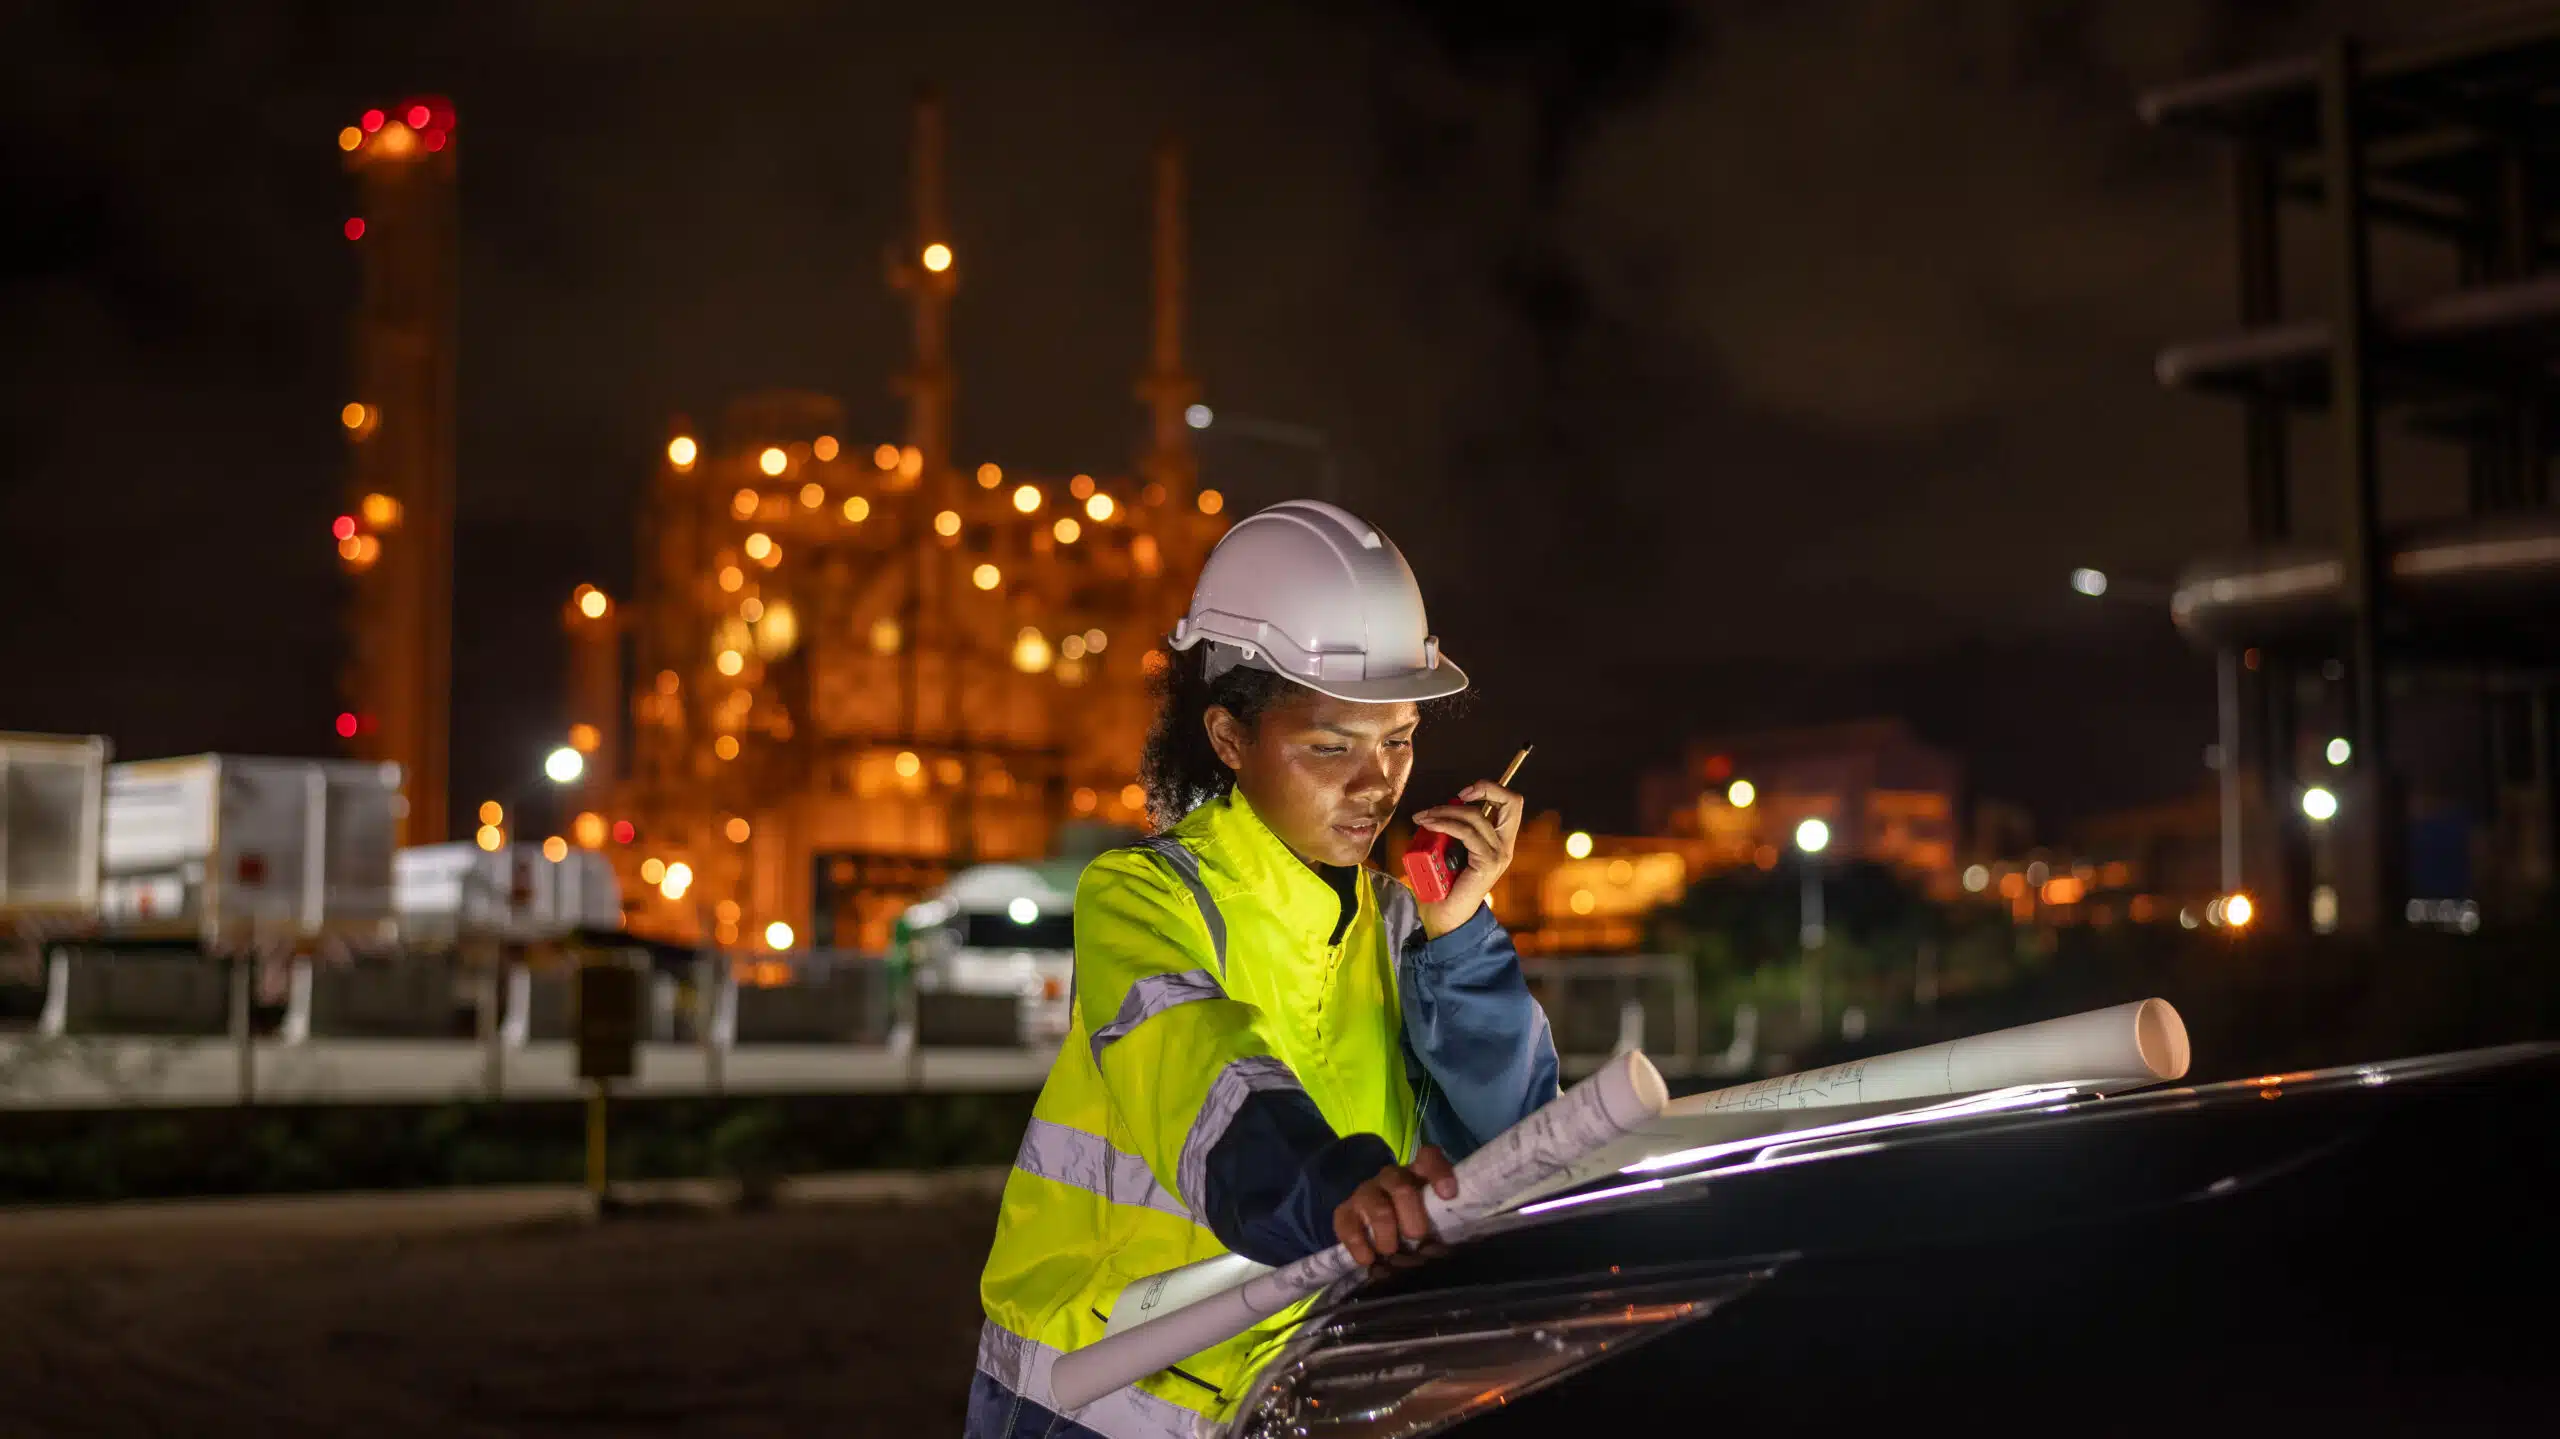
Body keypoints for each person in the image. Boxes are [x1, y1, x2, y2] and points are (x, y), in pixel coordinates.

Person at [966, 500, 1559, 1439]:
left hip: (1286, 1396)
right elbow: (1203, 1073)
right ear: (1230, 739)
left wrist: (1463, 930)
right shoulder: (1144, 898)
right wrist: (1342, 1193)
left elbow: (1516, 1142)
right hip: (1088, 1403)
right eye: (1331, 746)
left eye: (1398, 738)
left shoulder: (1408, 925)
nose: (1378, 784)